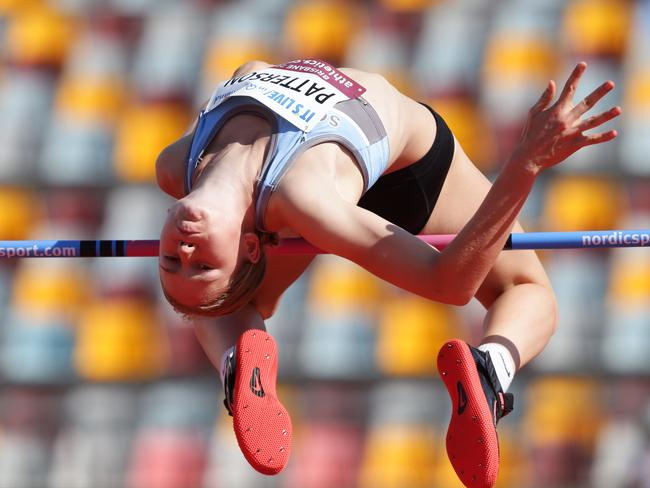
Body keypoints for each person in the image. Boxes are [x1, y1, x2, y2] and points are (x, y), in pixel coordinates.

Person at [155, 59, 620, 486]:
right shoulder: (304, 199)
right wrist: (526, 164)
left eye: (172, 260)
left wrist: (208, 284)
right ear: (251, 245)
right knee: (524, 287)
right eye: (203, 262)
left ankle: (238, 358)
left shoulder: (175, 166)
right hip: (408, 168)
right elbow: (448, 282)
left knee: (225, 303)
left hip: (317, 181)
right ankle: (491, 369)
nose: (185, 247)